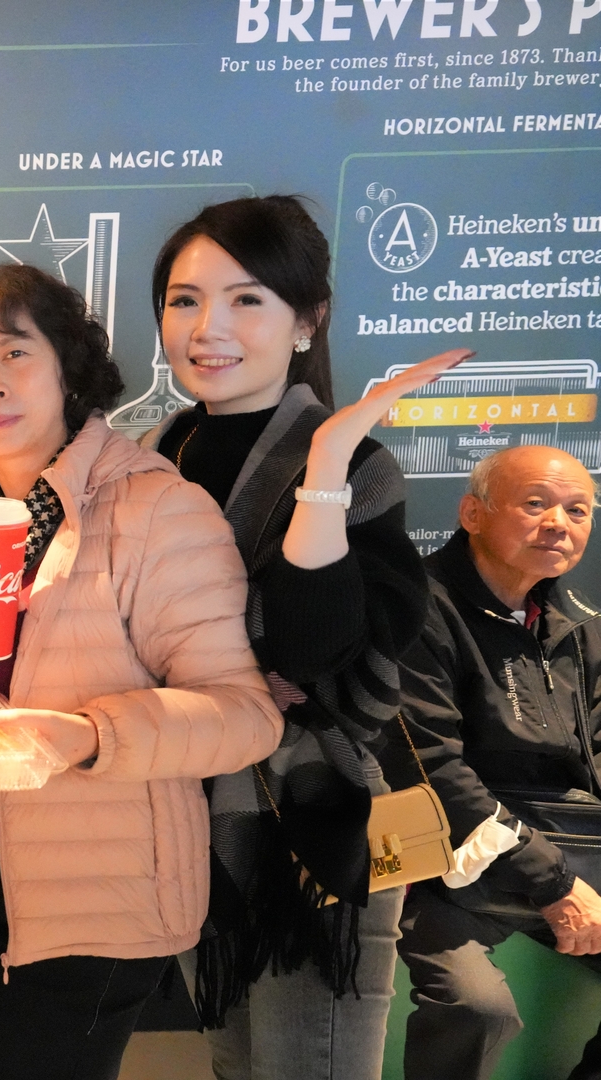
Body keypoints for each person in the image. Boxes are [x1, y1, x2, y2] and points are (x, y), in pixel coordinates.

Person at [0, 261, 283, 1080]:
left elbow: (246, 717)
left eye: (15, 354)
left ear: (68, 368)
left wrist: (86, 735)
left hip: (96, 898)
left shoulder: (154, 506)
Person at [139, 194, 464, 1080]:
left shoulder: (357, 463)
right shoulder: (152, 457)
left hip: (309, 827)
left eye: (247, 299)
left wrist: (324, 466)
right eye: (184, 300)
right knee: (235, 1065)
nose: (208, 327)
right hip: (184, 815)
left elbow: (314, 652)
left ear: (307, 320)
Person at [392, 444, 601, 1080]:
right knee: (476, 1008)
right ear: (472, 514)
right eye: (535, 504)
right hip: (441, 858)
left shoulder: (578, 625)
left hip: (563, 846)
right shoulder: (414, 608)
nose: (558, 523)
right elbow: (428, 765)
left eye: (577, 510)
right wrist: (553, 882)